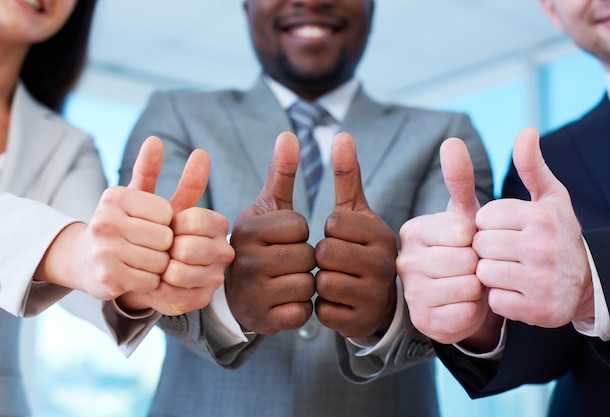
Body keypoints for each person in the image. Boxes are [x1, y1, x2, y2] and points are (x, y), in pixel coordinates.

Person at [119, 0, 493, 416]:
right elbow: (143, 276)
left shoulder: (447, 136)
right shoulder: (175, 117)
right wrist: (227, 301)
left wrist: (390, 310)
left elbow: (464, 294)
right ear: (246, 7)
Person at [0, 1, 233, 415]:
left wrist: (148, 268)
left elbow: (102, 277)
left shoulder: (66, 146)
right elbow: (83, 252)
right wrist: (76, 252)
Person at [396, 0, 610, 415]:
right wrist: (484, 318)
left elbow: (587, 288)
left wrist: (595, 284)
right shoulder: (550, 155)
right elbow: (549, 345)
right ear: (553, 11)